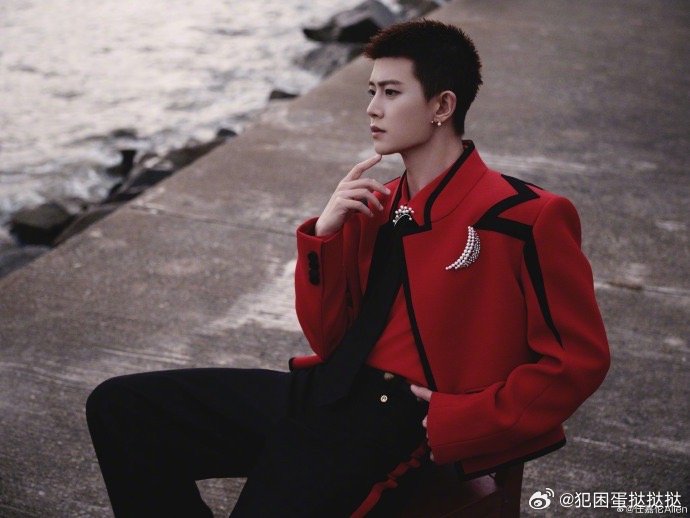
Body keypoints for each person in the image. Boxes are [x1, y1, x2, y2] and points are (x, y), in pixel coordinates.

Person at [86, 19, 610, 517]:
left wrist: (462, 420)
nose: (372, 109)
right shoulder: (375, 204)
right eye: (371, 91)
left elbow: (578, 361)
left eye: (391, 92)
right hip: (329, 393)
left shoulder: (522, 217)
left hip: (403, 424)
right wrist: (326, 236)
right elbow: (329, 338)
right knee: (121, 409)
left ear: (442, 105)